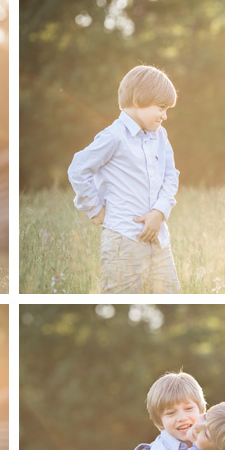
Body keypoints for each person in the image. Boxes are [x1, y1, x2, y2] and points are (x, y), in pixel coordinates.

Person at [68, 64, 181, 293]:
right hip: (123, 240)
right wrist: (95, 209)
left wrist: (159, 212)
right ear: (139, 101)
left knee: (170, 295)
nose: (165, 115)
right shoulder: (114, 136)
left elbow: (171, 175)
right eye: (161, 107)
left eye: (167, 109)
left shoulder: (160, 136)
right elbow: (79, 168)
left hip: (159, 241)